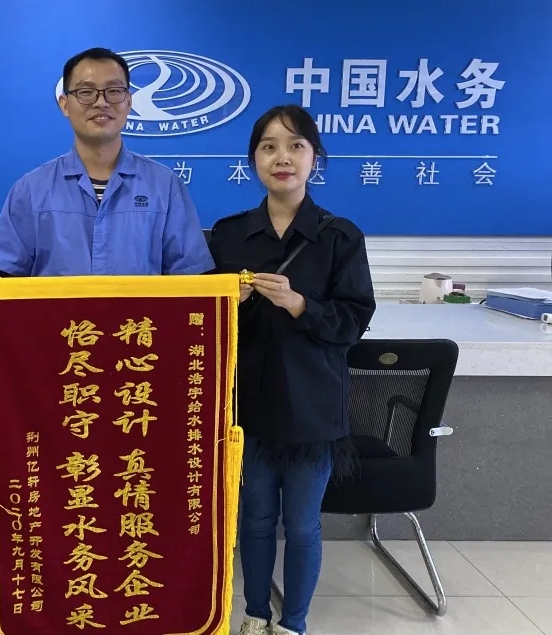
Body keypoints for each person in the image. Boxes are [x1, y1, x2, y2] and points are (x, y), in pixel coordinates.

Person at [208, 105, 376, 635]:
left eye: (296, 145)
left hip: (312, 408)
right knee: (254, 520)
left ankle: (294, 623)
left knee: (302, 525)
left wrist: (301, 305)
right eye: (269, 147)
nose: (282, 157)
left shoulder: (340, 236)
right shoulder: (227, 236)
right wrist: (224, 303)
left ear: (314, 158)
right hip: (247, 407)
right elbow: (198, 324)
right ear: (253, 159)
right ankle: (255, 616)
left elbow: (354, 321)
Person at [0, 47, 214, 277]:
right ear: (65, 104)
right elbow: (9, 282)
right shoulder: (30, 190)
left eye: (114, 91)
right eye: (86, 92)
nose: (101, 102)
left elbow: (190, 278)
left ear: (129, 101)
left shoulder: (165, 186)